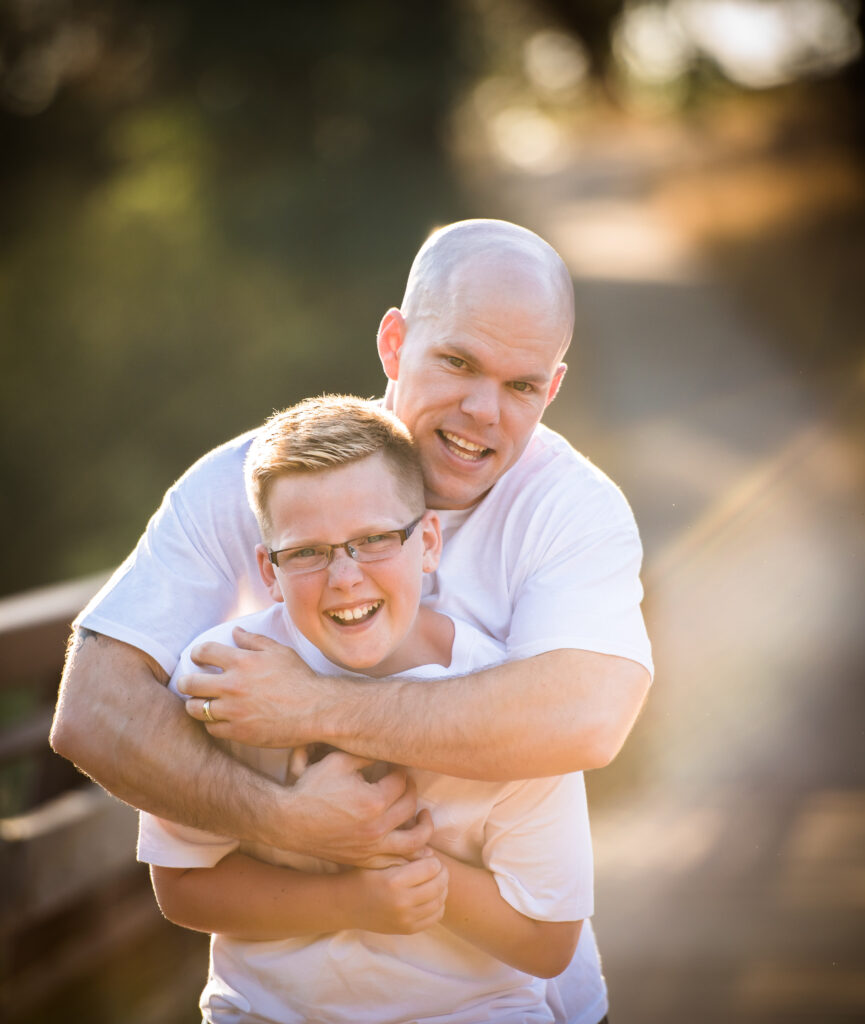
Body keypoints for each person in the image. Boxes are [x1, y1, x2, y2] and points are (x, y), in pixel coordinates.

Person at [51, 218, 652, 1023]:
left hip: (513, 1001)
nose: (482, 412)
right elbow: (93, 711)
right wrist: (289, 823)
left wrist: (315, 707)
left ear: (554, 386)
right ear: (395, 342)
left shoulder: (574, 510)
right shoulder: (248, 484)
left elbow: (585, 719)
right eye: (459, 361)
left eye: (522, 386)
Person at [141, 395, 594, 1023]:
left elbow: (547, 942)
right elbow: (182, 885)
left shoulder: (503, 694)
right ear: (268, 573)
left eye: (375, 539)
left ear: (428, 541)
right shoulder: (222, 676)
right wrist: (348, 900)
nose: (345, 577)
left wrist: (387, 848)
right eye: (306, 552)